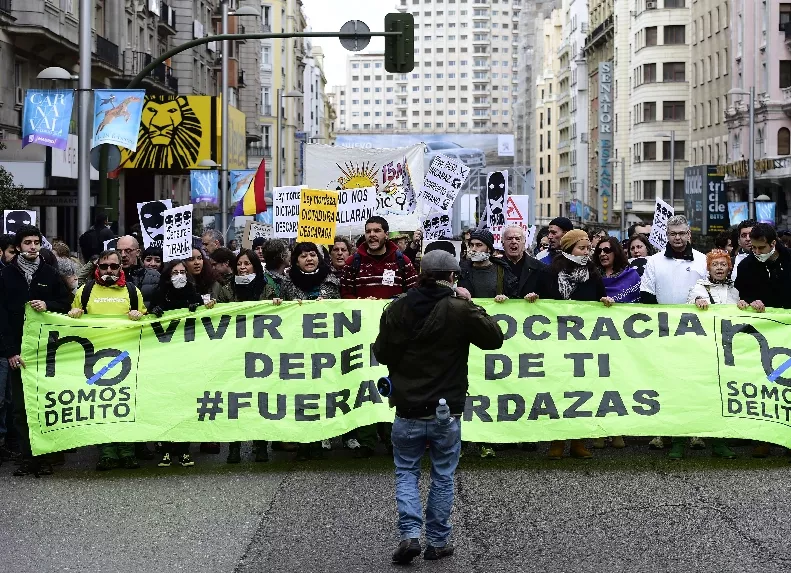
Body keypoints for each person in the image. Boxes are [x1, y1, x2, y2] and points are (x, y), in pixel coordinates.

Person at [373, 249, 505, 564]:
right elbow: (494, 339)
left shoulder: (398, 307)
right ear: (452, 277)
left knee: (406, 470)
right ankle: (438, 541)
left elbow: (383, 353)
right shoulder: (460, 309)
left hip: (407, 407)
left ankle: (409, 535)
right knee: (443, 474)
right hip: (447, 409)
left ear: (421, 273)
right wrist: (469, 303)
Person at [527, 229, 614, 460]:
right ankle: (557, 441)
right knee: (558, 391)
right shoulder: (548, 273)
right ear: (568, 249)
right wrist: (532, 300)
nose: (586, 253)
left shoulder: (593, 274)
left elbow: (600, 298)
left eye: (588, 249)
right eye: (581, 248)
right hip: (556, 342)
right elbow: (536, 301)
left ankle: (578, 441)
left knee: (582, 393)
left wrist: (605, 301)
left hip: (584, 344)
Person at [341, 216, 419, 457]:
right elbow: (344, 295)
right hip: (361, 335)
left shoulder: (401, 261)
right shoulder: (353, 262)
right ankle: (366, 440)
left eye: (377, 231)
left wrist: (393, 304)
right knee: (364, 384)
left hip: (394, 336)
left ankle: (391, 436)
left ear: (386, 234)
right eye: (368, 231)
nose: (372, 235)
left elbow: (414, 295)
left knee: (392, 383)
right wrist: (361, 303)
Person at [0, 225, 73, 476]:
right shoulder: (6, 275)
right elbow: (2, 317)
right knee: (21, 408)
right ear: (19, 246)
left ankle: (46, 456)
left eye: (36, 242)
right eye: (27, 242)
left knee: (45, 404)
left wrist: (48, 304)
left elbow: (67, 304)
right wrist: (10, 351)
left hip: (47, 352)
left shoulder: (50, 273)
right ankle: (26, 456)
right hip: (19, 353)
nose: (32, 247)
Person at [68, 250, 147, 470]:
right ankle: (107, 453)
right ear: (97, 268)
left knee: (126, 405)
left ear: (121, 267)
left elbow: (147, 322)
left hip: (126, 356)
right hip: (96, 359)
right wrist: (74, 313)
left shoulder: (132, 291)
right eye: (104, 267)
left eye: (113, 266)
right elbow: (69, 324)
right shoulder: (85, 291)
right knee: (102, 406)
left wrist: (140, 316)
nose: (109, 271)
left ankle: (128, 452)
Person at [640, 215, 707, 450]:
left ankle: (694, 431)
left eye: (681, 233)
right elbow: (647, 297)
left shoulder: (703, 261)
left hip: (695, 334)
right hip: (663, 331)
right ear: (666, 235)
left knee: (693, 382)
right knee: (663, 382)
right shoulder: (654, 261)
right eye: (672, 234)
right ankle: (662, 432)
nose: (677, 238)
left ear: (689, 234)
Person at [274, 242, 341, 460]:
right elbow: (282, 313)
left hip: (324, 348)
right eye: (303, 256)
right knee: (301, 394)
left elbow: (341, 308)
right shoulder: (287, 282)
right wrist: (278, 304)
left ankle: (323, 436)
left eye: (313, 254)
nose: (309, 259)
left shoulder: (331, 279)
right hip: (298, 348)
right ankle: (303, 440)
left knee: (323, 391)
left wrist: (327, 304)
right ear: (295, 260)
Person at [672, 249, 741, 460]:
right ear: (708, 267)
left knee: (719, 398)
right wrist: (697, 303)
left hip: (723, 352)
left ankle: (719, 444)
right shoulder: (698, 288)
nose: (719, 268)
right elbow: (689, 310)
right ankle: (678, 444)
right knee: (689, 397)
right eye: (715, 264)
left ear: (729, 267)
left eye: (723, 264)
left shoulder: (735, 292)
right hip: (700, 352)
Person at [150, 260, 214, 468]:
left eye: (182, 272)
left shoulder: (193, 294)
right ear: (168, 275)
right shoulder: (159, 293)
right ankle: (166, 448)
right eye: (175, 272)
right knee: (167, 403)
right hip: (165, 359)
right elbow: (149, 318)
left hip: (187, 359)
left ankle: (184, 449)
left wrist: (201, 309)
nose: (179, 276)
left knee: (185, 401)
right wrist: (155, 311)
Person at [457, 228, 514, 458]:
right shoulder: (461, 271)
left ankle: (485, 440)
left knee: (489, 389)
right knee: (465, 389)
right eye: (472, 245)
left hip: (490, 335)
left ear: (489, 249)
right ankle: (460, 442)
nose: (474, 249)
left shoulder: (502, 272)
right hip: (465, 335)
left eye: (479, 245)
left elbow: (515, 296)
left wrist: (507, 299)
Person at [220, 249, 271, 463]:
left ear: (255, 267)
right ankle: (234, 446)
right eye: (239, 264)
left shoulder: (267, 289)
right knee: (235, 400)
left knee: (261, 399)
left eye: (247, 264)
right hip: (234, 352)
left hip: (261, 351)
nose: (242, 267)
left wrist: (275, 305)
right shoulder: (226, 290)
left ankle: (260, 445)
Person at [117, 235, 160, 309]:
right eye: (119, 251)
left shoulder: (154, 276)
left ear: (138, 252)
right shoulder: (112, 276)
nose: (123, 255)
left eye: (128, 251)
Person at [594, 237, 641, 304]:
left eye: (606, 250)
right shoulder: (593, 276)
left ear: (616, 252)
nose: (602, 254)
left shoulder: (631, 275)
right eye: (599, 251)